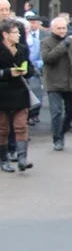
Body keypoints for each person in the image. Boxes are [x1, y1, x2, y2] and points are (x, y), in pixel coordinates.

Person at [40, 17, 72, 151]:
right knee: (56, 112)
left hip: (71, 83)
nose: (62, 31)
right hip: (54, 83)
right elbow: (48, 59)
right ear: (52, 29)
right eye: (59, 28)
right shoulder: (46, 42)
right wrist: (63, 45)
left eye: (64, 28)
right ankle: (57, 139)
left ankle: (61, 132)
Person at [0, 19, 35, 172]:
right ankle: (3, 160)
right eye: (15, 32)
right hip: (2, 93)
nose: (19, 35)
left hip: (20, 91)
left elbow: (30, 66)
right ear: (5, 34)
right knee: (3, 128)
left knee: (21, 126)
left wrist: (28, 72)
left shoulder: (21, 48)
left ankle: (22, 158)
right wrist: (9, 72)